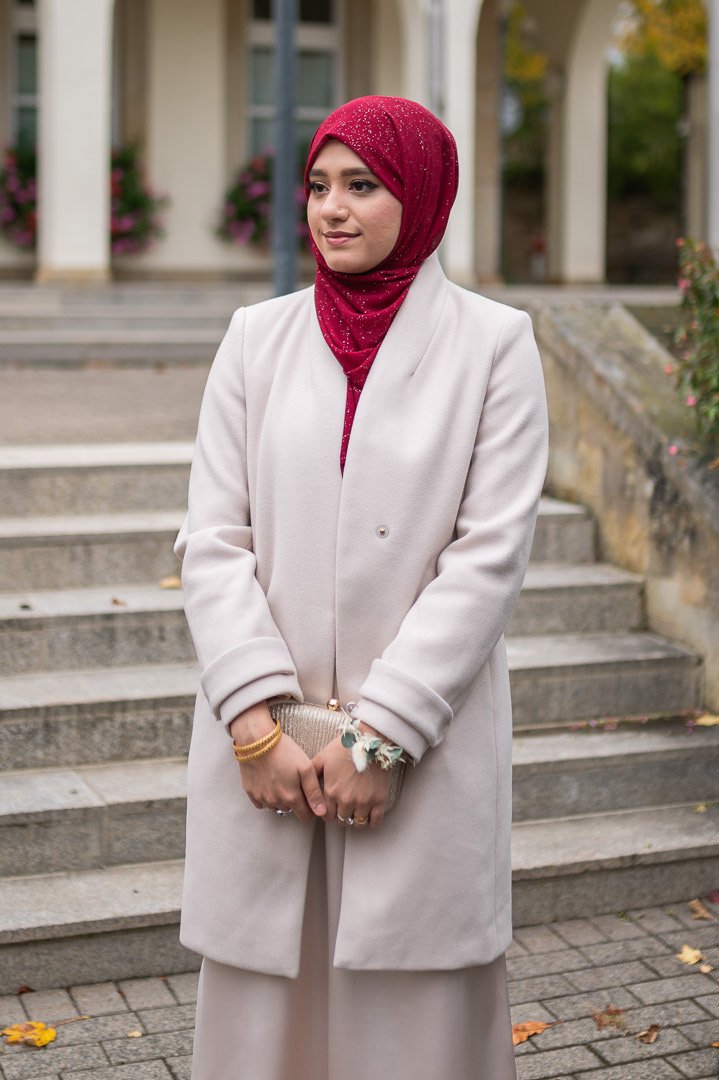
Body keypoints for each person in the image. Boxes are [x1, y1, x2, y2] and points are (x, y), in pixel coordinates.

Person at [175, 95, 548, 1080]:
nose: (331, 208)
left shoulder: (494, 344)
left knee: (411, 1025)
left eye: (362, 185)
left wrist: (383, 735)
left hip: (419, 751)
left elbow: (488, 556)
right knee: (264, 1025)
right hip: (268, 758)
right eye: (317, 185)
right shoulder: (255, 337)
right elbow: (212, 541)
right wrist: (253, 727)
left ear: (420, 196)